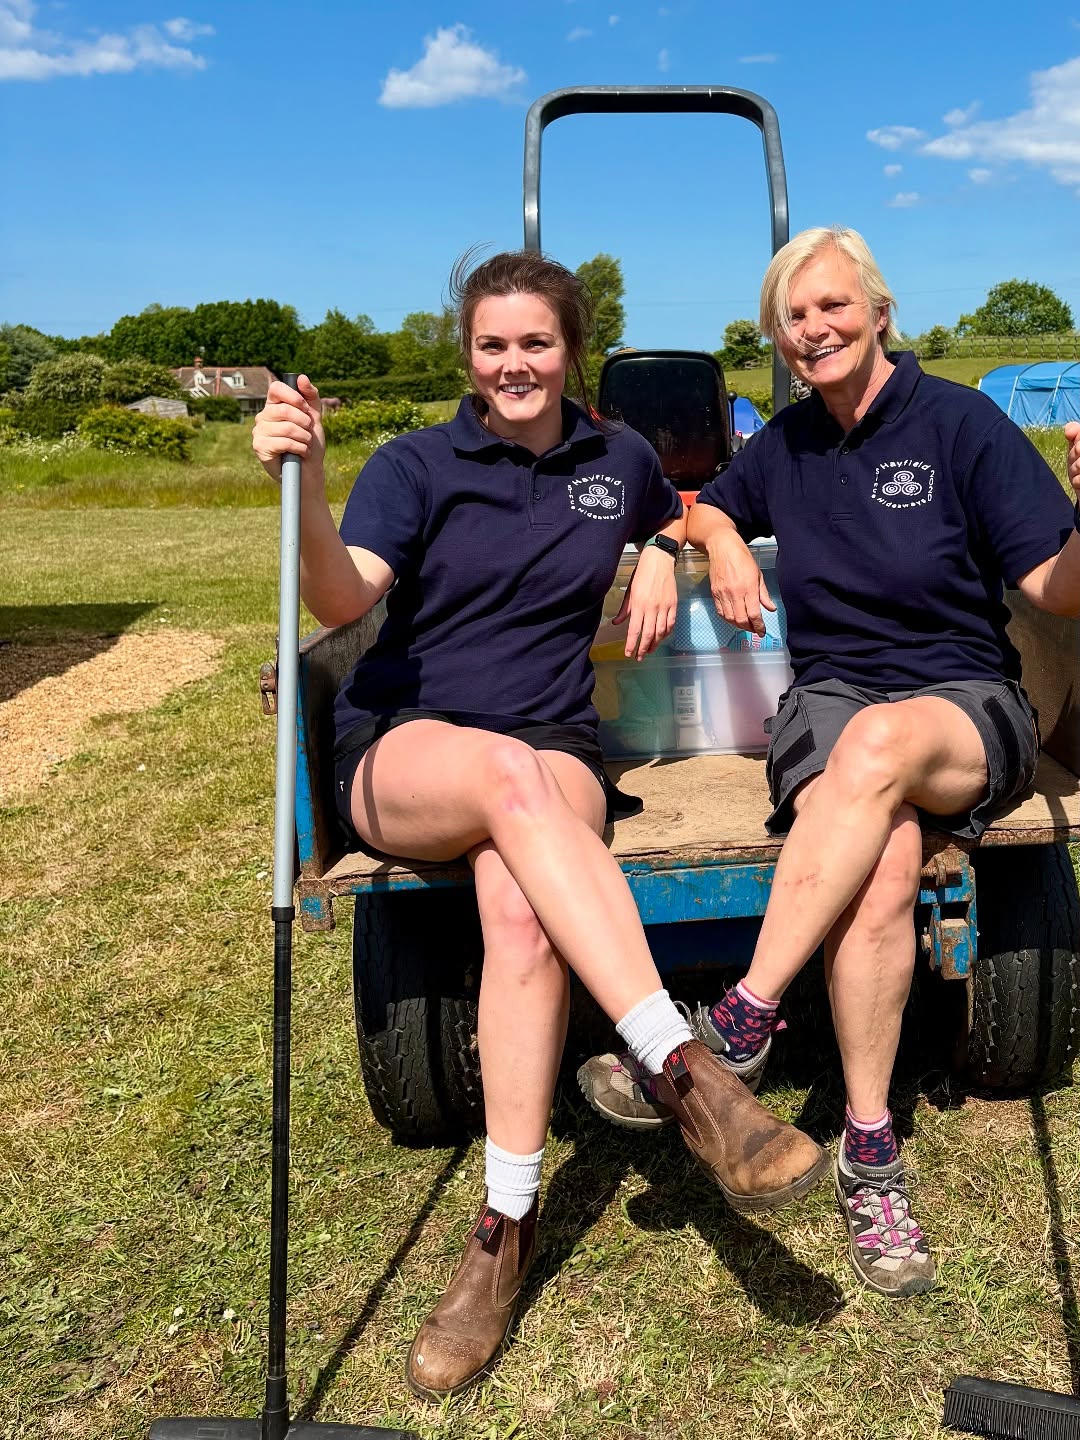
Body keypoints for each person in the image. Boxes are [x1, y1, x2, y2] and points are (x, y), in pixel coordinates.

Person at [251, 250, 827, 1401]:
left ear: (574, 350)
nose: (514, 364)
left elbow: (695, 504)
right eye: (491, 345)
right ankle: (684, 1066)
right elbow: (338, 598)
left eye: (537, 343)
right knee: (509, 781)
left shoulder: (615, 455)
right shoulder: (416, 466)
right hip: (411, 748)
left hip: (561, 747)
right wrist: (308, 485)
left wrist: (682, 544)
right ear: (466, 355)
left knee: (520, 910)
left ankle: (500, 1233)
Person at [580, 226, 1080, 1299]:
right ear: (776, 339)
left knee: (881, 746)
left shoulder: (961, 423)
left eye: (833, 307)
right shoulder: (783, 445)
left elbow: (1059, 590)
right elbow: (704, 504)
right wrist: (703, 539)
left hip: (964, 704)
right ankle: (871, 1151)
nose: (813, 330)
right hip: (829, 706)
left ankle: (735, 1027)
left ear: (878, 310)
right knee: (880, 863)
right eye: (793, 316)